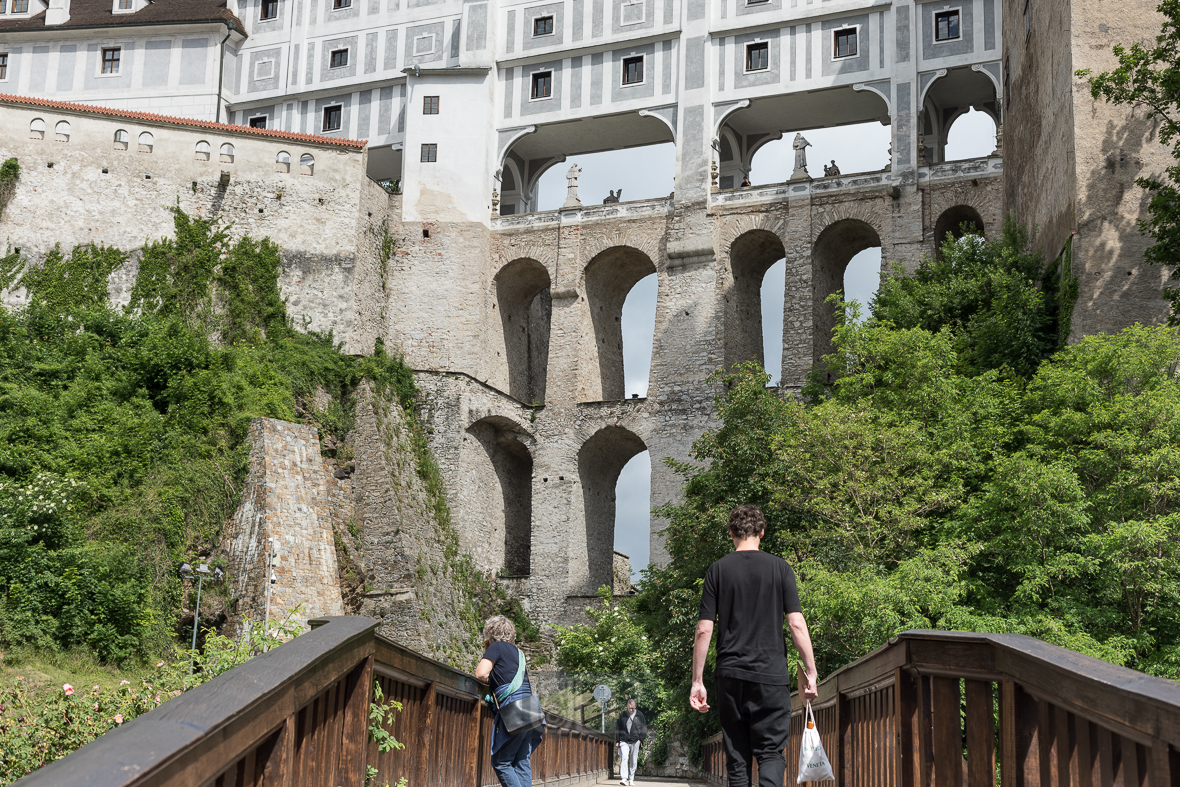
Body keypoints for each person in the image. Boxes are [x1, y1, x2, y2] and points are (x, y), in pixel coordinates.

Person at [690, 504, 819, 787]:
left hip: (730, 676)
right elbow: (796, 623)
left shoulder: (717, 570)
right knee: (771, 753)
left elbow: (703, 629)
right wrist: (810, 670)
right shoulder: (780, 568)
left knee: (738, 759)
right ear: (762, 532)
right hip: (770, 677)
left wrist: (697, 681)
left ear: (731, 532)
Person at [475, 616, 546, 787]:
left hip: (516, 710)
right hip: (531, 709)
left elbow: (481, 674)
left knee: (501, 762)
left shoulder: (496, 647)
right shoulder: (518, 653)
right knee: (521, 761)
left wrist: (488, 649)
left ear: (490, 633)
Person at [615, 698, 647, 786]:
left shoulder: (640, 715)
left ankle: (631, 779)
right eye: (630, 708)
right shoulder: (623, 715)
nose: (631, 710)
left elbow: (644, 728)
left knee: (633, 760)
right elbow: (618, 728)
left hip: (635, 741)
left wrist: (641, 739)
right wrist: (617, 740)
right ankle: (624, 778)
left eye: (633, 708)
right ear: (627, 707)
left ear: (635, 706)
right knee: (624, 757)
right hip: (624, 740)